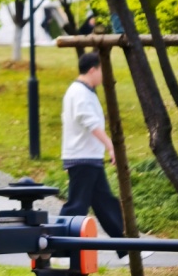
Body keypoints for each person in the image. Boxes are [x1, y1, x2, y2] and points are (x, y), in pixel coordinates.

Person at [61, 52, 132, 259]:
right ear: (93, 69)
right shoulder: (79, 93)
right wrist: (111, 145)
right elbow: (89, 121)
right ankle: (57, 248)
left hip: (88, 157)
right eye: (102, 70)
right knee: (76, 205)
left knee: (105, 204)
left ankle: (126, 247)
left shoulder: (83, 91)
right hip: (83, 157)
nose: (103, 76)